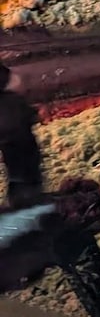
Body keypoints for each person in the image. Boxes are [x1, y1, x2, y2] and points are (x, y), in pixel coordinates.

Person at [0, 62, 44, 209]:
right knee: (25, 174)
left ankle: (23, 201)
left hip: (13, 137)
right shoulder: (11, 102)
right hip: (16, 136)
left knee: (21, 173)